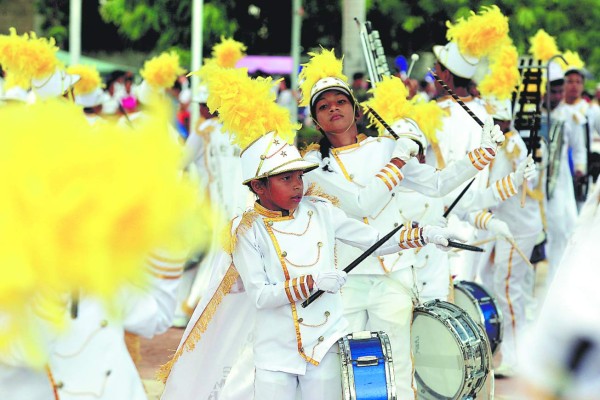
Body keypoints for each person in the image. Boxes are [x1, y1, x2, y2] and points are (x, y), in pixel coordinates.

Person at [160, 64, 464, 400]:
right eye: (285, 178)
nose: (298, 185)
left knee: (382, 376)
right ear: (259, 186)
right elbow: (261, 296)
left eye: (299, 177)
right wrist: (313, 283)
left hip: (328, 338)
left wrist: (422, 235)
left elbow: (372, 240)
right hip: (278, 353)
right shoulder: (248, 228)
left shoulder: (320, 210)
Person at [298, 49, 504, 399]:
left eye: (340, 101)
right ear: (317, 121)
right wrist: (398, 156)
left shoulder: (383, 147)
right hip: (346, 278)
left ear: (357, 110)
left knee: (399, 368)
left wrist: (481, 155)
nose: (333, 108)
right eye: (323, 106)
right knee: (342, 369)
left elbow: (437, 183)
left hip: (394, 276)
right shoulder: (314, 167)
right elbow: (361, 202)